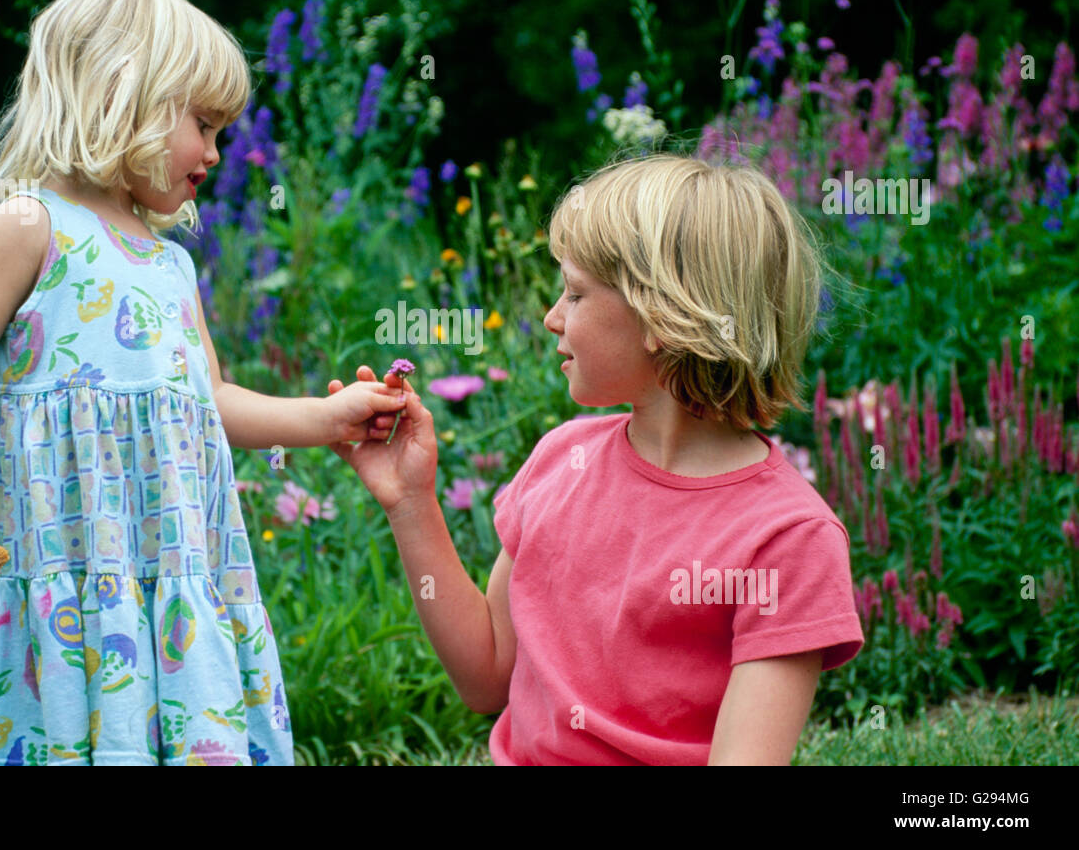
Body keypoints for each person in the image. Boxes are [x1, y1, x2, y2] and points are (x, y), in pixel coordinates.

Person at [0, 0, 407, 765]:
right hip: (58, 564)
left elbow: (210, 398)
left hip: (169, 566)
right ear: (122, 95)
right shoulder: (28, 225)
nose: (216, 154)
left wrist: (328, 417)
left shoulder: (172, 264)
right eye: (204, 126)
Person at [330, 153, 865, 765]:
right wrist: (410, 502)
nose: (551, 317)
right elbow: (486, 677)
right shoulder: (562, 460)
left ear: (662, 317)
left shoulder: (789, 539)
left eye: (576, 294)